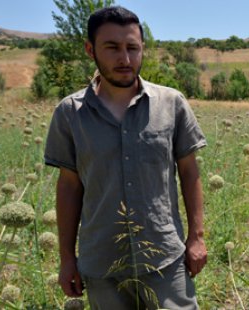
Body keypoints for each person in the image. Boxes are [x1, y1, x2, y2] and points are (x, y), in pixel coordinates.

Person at [44, 6, 206, 309]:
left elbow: (189, 172)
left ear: (142, 48)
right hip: (102, 263)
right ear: (90, 50)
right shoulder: (69, 113)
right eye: (113, 48)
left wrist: (196, 238)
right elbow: (68, 187)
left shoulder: (171, 104)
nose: (125, 59)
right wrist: (67, 258)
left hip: (164, 257)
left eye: (132, 47)